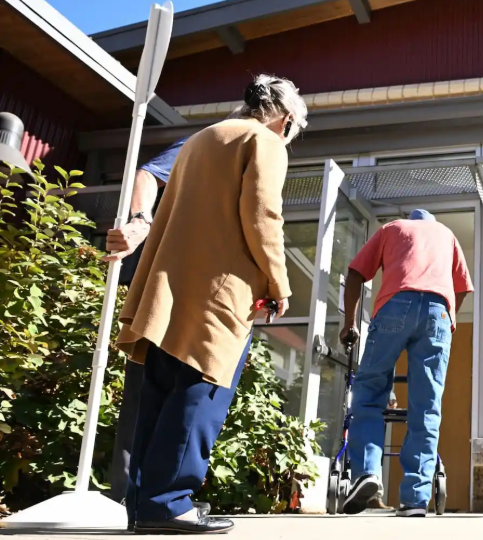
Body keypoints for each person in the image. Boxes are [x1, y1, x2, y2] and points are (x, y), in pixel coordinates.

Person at [115, 74, 308, 535]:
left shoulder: (202, 139)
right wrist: (280, 284)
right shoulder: (265, 141)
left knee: (158, 393)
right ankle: (169, 503)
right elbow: (263, 215)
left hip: (169, 285)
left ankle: (143, 503)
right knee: (202, 390)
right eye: (295, 128)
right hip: (220, 290)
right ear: (284, 118)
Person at [339, 209, 473, 517]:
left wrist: (350, 323)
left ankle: (367, 473)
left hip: (395, 306)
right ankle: (415, 498)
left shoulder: (392, 228)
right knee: (426, 406)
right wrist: (447, 319)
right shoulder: (446, 234)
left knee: (370, 391)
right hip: (438, 311)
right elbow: (463, 287)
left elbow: (356, 273)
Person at [102, 137, 188, 507]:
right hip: (165, 284)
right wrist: (141, 220)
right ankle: (126, 498)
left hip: (204, 289)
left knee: (185, 398)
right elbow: (149, 174)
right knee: (145, 387)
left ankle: (157, 501)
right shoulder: (208, 141)